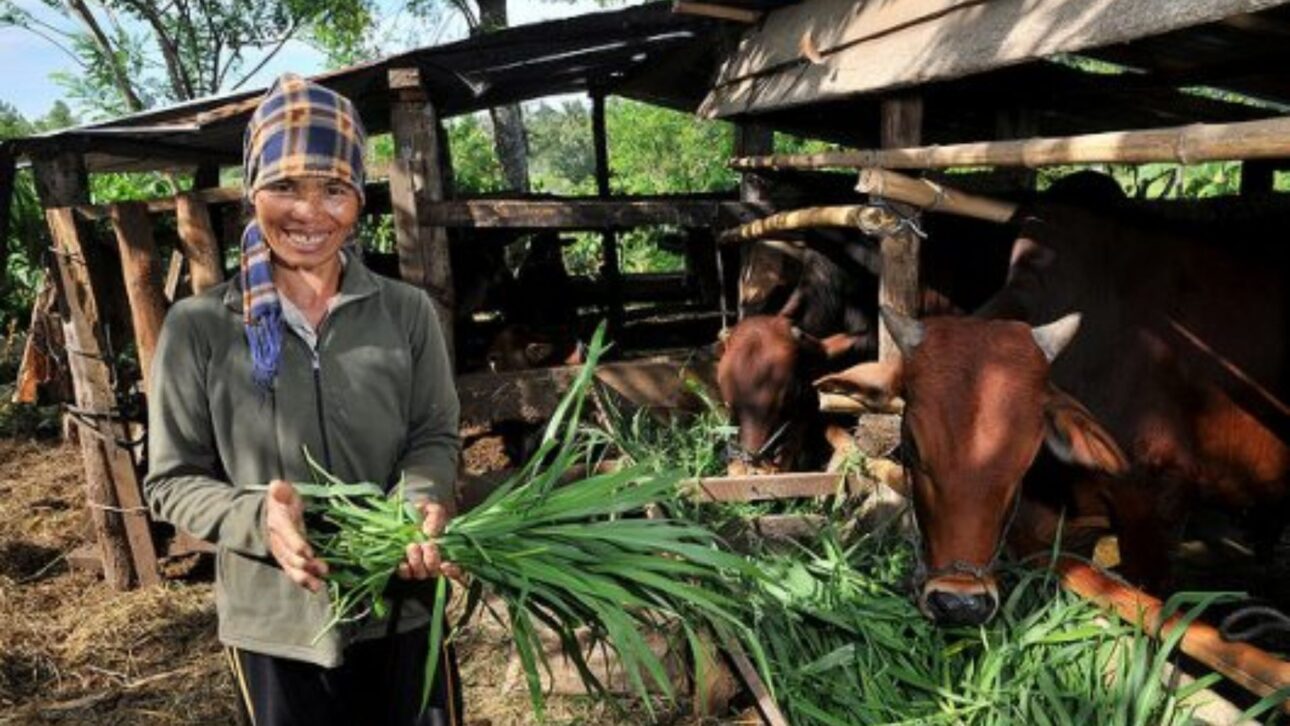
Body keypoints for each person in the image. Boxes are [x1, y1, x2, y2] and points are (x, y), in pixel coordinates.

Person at [144, 73, 462, 726]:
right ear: (251, 191)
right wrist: (258, 519)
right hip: (275, 626)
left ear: (359, 198)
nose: (310, 213)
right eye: (285, 186)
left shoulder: (406, 313)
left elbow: (433, 435)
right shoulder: (200, 327)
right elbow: (172, 480)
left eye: (334, 189)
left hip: (401, 611)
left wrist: (420, 502)